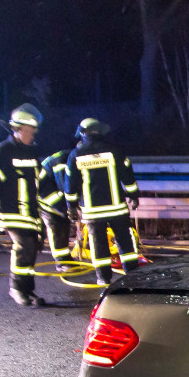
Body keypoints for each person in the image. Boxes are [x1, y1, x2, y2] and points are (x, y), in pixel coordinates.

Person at [0, 103, 46, 306]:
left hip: (30, 214)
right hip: (12, 213)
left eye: (34, 131)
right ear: (18, 129)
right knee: (24, 246)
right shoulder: (1, 152)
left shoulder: (32, 153)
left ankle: (28, 290)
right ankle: (17, 289)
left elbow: (38, 184)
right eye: (30, 131)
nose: (33, 135)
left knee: (31, 248)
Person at [65, 119, 141, 285]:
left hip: (93, 212)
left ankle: (103, 278)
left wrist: (71, 206)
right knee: (125, 242)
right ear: (100, 132)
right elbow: (128, 176)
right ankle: (133, 275)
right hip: (117, 209)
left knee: (98, 245)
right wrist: (133, 196)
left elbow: (70, 185)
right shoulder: (115, 151)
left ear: (83, 133)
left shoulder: (75, 155)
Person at [37, 148, 74, 271]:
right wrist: (68, 207)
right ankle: (61, 262)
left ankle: (66, 258)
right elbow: (65, 186)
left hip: (57, 195)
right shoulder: (61, 163)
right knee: (56, 228)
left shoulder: (67, 158)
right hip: (48, 198)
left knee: (64, 226)